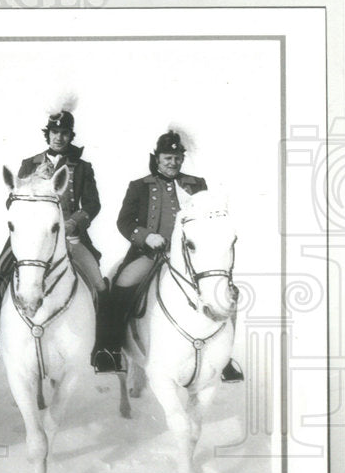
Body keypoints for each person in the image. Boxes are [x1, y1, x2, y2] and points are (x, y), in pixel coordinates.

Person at [93, 130, 243, 382]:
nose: (172, 162)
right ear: (157, 158)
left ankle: (225, 359)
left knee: (225, 291)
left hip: (190, 258)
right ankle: (110, 350)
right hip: (150, 254)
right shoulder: (139, 186)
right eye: (167, 158)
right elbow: (124, 221)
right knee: (120, 287)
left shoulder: (197, 184)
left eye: (176, 157)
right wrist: (146, 237)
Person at [0, 110, 105, 366]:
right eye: (55, 132)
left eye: (65, 133)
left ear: (70, 136)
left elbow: (92, 204)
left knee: (99, 283)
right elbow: (12, 198)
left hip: (69, 235)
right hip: (32, 235)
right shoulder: (29, 163)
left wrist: (74, 222)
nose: (59, 137)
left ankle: (101, 348)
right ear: (48, 134)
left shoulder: (82, 167)